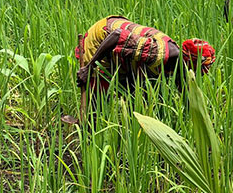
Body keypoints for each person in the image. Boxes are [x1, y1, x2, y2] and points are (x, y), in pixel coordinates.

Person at [65, 15, 215, 123]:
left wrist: (204, 125)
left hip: (124, 48)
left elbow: (187, 98)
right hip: (104, 36)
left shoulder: (180, 69)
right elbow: (117, 36)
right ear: (192, 63)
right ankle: (85, 125)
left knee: (134, 91)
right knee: (101, 87)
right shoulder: (162, 52)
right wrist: (89, 67)